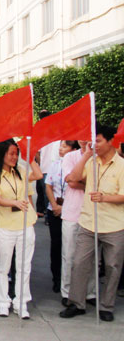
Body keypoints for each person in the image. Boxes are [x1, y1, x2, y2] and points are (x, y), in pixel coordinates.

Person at [60, 124, 124, 322]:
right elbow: (73, 178)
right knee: (79, 263)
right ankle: (76, 303)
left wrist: (104, 197)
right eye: (92, 141)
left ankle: (106, 306)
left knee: (112, 267)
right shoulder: (91, 161)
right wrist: (86, 155)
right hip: (88, 222)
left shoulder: (122, 165)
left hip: (114, 225)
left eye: (98, 141)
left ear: (110, 141)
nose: (93, 144)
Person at [0, 140, 43, 319]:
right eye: (11, 153)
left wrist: (29, 157)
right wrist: (14, 202)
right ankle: (3, 302)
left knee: (24, 266)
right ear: (2, 155)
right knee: (3, 267)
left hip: (25, 225)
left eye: (16, 154)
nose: (14, 157)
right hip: (5, 226)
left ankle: (21, 302)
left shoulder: (21, 172)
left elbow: (39, 175)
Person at [59, 140, 95, 307]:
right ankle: (67, 292)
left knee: (93, 257)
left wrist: (81, 183)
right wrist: (89, 185)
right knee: (69, 255)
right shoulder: (70, 157)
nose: (83, 139)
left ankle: (90, 293)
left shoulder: (98, 157)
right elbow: (71, 180)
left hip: (93, 212)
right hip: (72, 211)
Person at [45, 141, 79, 294]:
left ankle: (73, 282)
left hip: (71, 210)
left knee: (71, 249)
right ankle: (57, 279)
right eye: (60, 145)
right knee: (56, 245)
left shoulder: (76, 165)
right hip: (55, 210)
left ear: (73, 150)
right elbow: (48, 186)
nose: (60, 148)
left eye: (65, 146)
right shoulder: (55, 165)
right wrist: (54, 205)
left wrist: (64, 208)